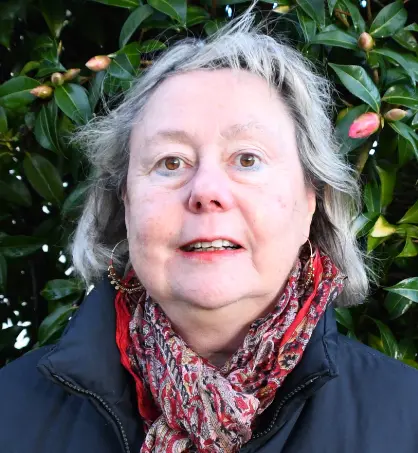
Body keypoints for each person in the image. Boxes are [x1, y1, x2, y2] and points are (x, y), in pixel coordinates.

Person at [1, 6, 418, 453]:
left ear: (310, 202)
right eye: (171, 162)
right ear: (125, 202)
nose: (205, 191)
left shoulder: (406, 418)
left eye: (247, 159)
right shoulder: (11, 412)